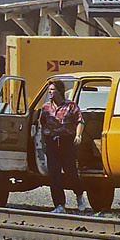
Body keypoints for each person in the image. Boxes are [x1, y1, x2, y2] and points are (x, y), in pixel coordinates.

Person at [40, 79, 86, 213]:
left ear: (60, 91)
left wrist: (78, 135)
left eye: (52, 90)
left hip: (66, 142)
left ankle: (79, 194)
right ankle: (59, 205)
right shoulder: (45, 108)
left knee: (71, 172)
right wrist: (43, 142)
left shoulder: (71, 106)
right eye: (49, 90)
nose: (50, 92)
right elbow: (42, 125)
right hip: (51, 142)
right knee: (54, 174)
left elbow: (80, 121)